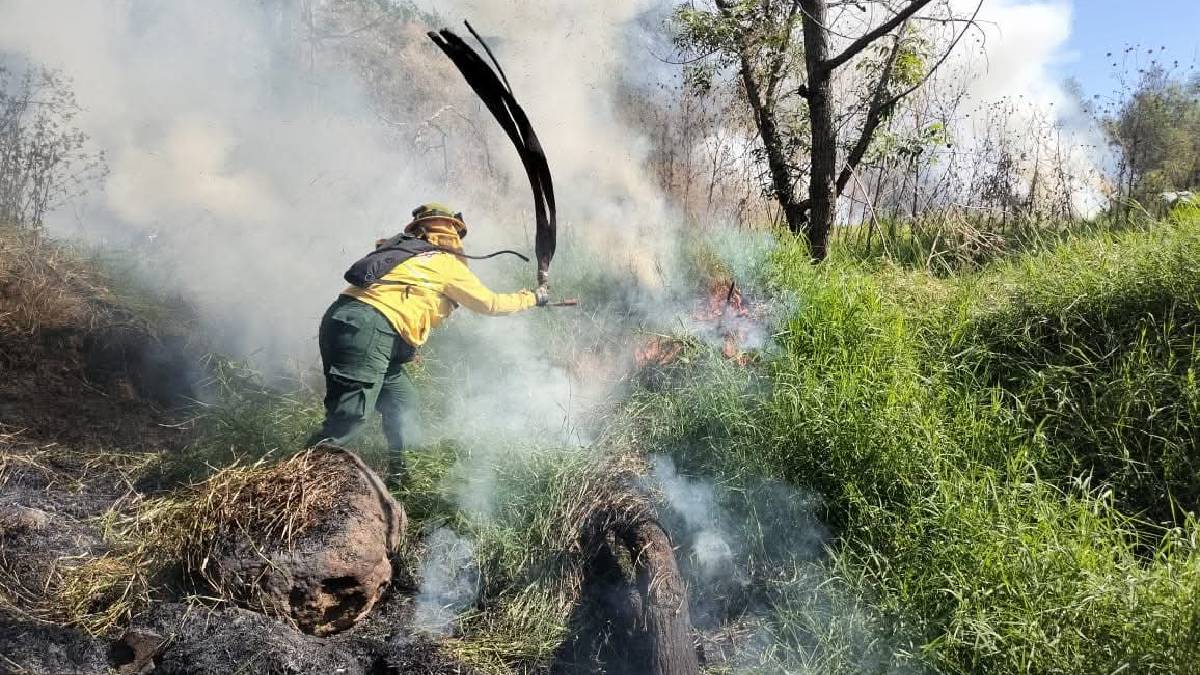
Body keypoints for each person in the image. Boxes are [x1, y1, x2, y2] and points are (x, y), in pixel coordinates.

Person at [306, 203, 547, 487]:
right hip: (369, 328)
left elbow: (403, 302)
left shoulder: (403, 254)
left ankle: (400, 482)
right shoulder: (442, 261)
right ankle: (298, 487)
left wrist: (400, 345)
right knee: (349, 418)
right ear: (450, 231)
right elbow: (490, 304)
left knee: (402, 403)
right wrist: (534, 298)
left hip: (349, 322)